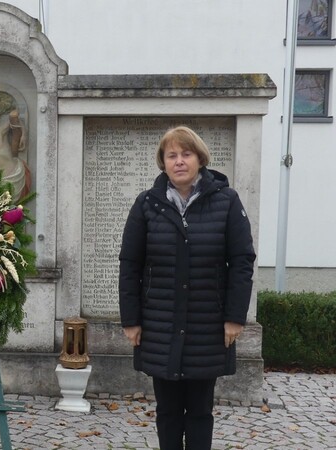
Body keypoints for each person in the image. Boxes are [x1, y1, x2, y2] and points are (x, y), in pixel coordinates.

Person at [118, 125, 256, 450]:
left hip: (206, 327)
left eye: (186, 154)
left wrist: (235, 317)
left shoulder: (227, 201)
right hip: (159, 325)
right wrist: (131, 319)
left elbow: (242, 261)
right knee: (166, 412)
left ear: (199, 159)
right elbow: (130, 264)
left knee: (199, 412)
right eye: (172, 155)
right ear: (163, 162)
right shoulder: (147, 205)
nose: (179, 161)